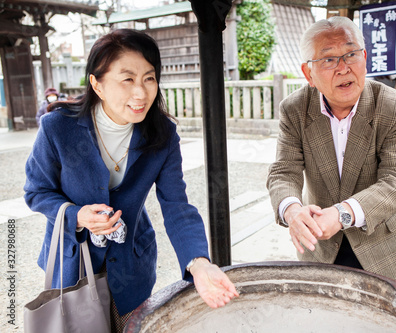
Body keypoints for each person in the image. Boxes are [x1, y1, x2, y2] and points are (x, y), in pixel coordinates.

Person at [24, 29, 238, 332]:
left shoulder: (162, 135)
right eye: (127, 79)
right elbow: (36, 191)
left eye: (149, 78)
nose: (141, 92)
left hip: (131, 265)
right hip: (73, 263)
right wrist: (77, 215)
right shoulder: (58, 128)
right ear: (97, 84)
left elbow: (177, 205)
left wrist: (199, 263)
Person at [267, 17, 396, 286]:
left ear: (365, 58)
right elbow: (284, 172)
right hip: (322, 245)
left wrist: (343, 214)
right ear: (309, 74)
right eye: (329, 59)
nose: (343, 68)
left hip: (388, 248)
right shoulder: (294, 109)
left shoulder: (395, 108)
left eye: (351, 54)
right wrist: (292, 210)